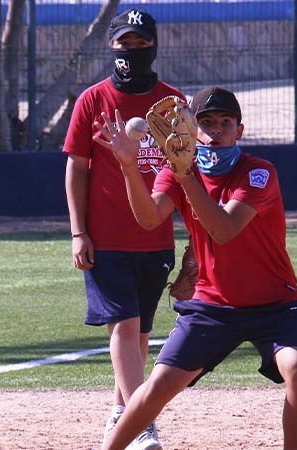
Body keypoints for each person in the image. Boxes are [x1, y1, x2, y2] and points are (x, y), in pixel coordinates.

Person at [93, 86, 297, 450]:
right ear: (191, 129)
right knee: (158, 385)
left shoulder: (258, 173)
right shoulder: (178, 171)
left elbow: (224, 229)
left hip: (275, 305)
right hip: (213, 306)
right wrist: (128, 167)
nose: (216, 130)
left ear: (239, 130)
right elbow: (149, 218)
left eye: (225, 122)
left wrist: (187, 175)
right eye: (207, 122)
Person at [63, 8, 186, 450]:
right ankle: (141, 422)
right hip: (107, 239)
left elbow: (185, 173)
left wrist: (195, 243)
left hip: (156, 237)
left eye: (139, 43)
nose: (131, 50)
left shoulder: (173, 104)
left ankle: (120, 416)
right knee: (125, 326)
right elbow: (76, 169)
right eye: (124, 43)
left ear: (153, 46)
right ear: (111, 45)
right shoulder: (93, 100)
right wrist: (79, 232)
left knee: (141, 335)